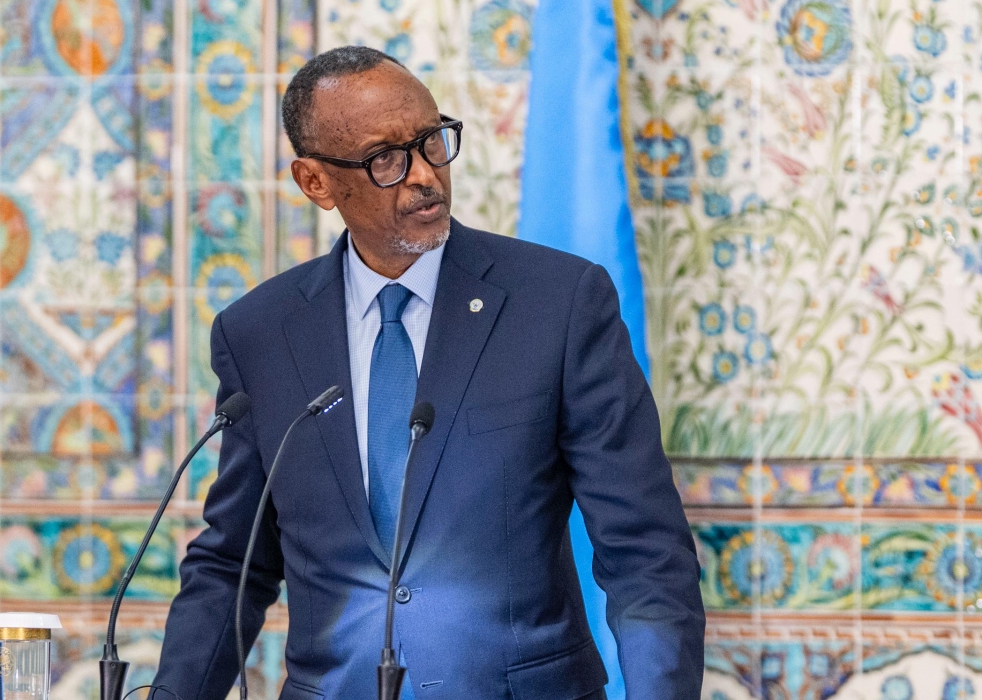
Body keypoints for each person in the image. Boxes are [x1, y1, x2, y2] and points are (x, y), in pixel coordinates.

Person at [153, 46, 704, 700]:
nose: (424, 175)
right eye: (385, 158)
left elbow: (645, 554)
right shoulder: (260, 334)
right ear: (315, 182)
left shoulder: (556, 304)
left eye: (432, 141)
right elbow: (232, 566)